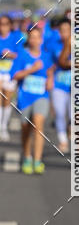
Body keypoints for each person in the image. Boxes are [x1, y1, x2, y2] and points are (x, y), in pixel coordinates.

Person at [10, 25, 53, 174]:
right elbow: (15, 75)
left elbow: (50, 70)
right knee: (26, 128)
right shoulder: (22, 55)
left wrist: (50, 80)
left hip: (41, 96)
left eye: (37, 37)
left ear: (41, 39)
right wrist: (31, 70)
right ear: (29, 39)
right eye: (32, 37)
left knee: (38, 124)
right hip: (25, 97)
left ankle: (37, 160)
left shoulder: (46, 56)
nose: (34, 40)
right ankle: (27, 157)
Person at [49, 17, 72, 153]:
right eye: (62, 30)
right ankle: (62, 140)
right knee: (59, 113)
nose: (64, 33)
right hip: (58, 84)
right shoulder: (54, 45)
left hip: (76, 86)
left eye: (67, 30)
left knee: (73, 115)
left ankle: (70, 127)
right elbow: (50, 64)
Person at [0, 14, 19, 141]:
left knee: (7, 101)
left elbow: (20, 55)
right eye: (1, 24)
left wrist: (10, 54)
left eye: (6, 24)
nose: (3, 27)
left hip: (10, 73)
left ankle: (4, 126)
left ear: (10, 25)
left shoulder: (15, 38)